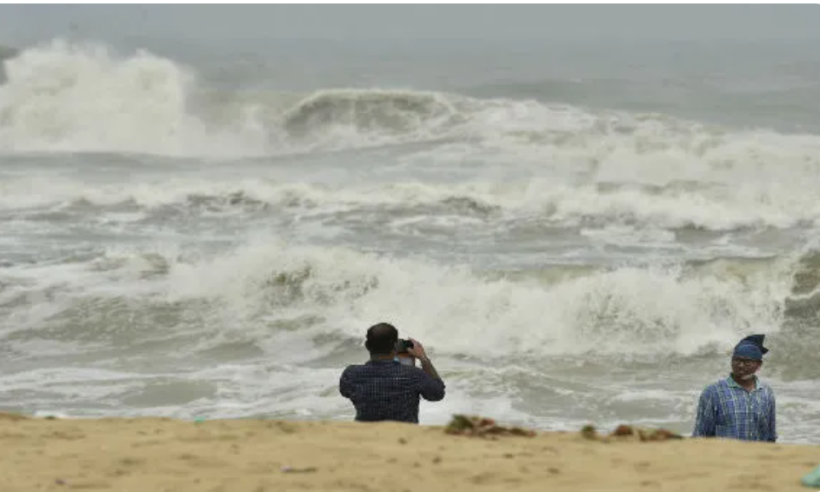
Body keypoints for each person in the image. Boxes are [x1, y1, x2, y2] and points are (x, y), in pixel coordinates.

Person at [339, 322, 445, 423]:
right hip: (402, 439)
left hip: (366, 438)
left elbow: (345, 392)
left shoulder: (351, 374)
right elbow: (437, 394)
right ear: (395, 346)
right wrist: (423, 358)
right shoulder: (413, 375)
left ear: (367, 345)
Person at [692, 334, 776, 442]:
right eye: (737, 360)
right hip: (724, 457)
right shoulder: (714, 392)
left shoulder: (766, 393)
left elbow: (770, 436)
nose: (740, 365)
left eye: (746, 362)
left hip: (756, 457)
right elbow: (701, 435)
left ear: (758, 364)